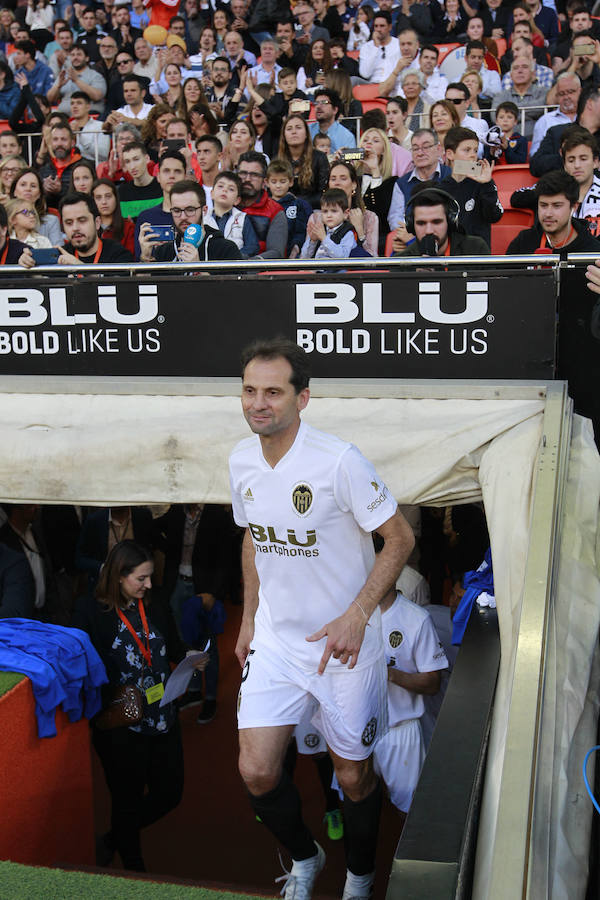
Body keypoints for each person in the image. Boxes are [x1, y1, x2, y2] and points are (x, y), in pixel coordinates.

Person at [229, 337, 414, 900]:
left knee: (353, 777)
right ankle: (308, 858)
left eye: (273, 393)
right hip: (278, 644)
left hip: (345, 649)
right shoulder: (241, 459)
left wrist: (358, 613)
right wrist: (248, 617)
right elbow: (253, 537)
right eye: (249, 391)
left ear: (302, 398)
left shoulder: (340, 460)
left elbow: (399, 537)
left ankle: (359, 876)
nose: (259, 403)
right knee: (257, 772)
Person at [73, 540, 206, 871]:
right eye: (141, 579)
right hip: (121, 725)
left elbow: (172, 646)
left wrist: (189, 656)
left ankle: (113, 840)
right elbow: (85, 669)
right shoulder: (90, 612)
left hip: (163, 717)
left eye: (149, 578)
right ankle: (134, 867)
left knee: (169, 794)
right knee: (126, 800)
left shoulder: (155, 603)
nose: (148, 585)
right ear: (119, 576)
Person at [152, 504, 233, 724]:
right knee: (185, 641)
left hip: (204, 588)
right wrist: (168, 548)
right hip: (177, 584)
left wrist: (215, 593)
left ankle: (210, 696)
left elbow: (228, 557)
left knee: (208, 643)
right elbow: (151, 527)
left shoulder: (216, 514)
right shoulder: (177, 510)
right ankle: (194, 690)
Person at [373, 586, 447, 816]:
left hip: (400, 730)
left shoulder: (416, 618)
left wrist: (391, 674)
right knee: (359, 796)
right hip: (356, 728)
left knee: (408, 810)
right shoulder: (346, 608)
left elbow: (433, 683)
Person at [20, 191, 135, 267]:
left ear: (97, 223)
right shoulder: (59, 255)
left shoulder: (118, 254)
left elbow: (119, 290)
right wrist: (28, 266)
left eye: (82, 220)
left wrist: (80, 268)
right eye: (69, 223)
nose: (75, 228)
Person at [138, 178, 242, 261]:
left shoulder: (226, 249)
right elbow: (144, 287)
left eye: (190, 210)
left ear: (204, 210)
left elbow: (234, 287)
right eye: (177, 210)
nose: (183, 217)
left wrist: (197, 269)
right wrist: (145, 258)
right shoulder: (164, 251)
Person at [507, 169, 600, 255]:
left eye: (557, 206)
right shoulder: (524, 241)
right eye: (543, 205)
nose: (548, 214)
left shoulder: (592, 249)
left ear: (573, 207)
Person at [440, 126, 503, 247]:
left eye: (475, 150)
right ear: (450, 154)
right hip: (450, 257)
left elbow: (495, 216)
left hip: (478, 258)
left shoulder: (484, 184)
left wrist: (487, 184)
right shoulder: (441, 188)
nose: (472, 155)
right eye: (466, 150)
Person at [392, 183, 491, 255]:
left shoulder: (476, 249)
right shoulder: (402, 261)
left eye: (436, 222)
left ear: (450, 221)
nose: (429, 231)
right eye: (421, 223)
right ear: (411, 225)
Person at [388, 127, 451, 231]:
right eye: (415, 148)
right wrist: (411, 235)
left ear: (439, 149)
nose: (420, 153)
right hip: (409, 239)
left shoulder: (451, 176)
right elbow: (395, 219)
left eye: (426, 147)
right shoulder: (402, 183)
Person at [530, 88, 600, 176]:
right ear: (590, 104)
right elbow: (536, 166)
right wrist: (567, 156)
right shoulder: (557, 132)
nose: (577, 164)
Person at [133, 149, 186, 257]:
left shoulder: (193, 215)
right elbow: (139, 266)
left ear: (185, 176)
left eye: (177, 171)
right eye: (166, 171)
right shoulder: (146, 217)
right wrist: (145, 256)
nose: (172, 176)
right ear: (158, 176)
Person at [237, 151, 287, 257]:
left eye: (254, 175)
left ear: (264, 181)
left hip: (258, 271)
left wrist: (247, 264)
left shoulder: (275, 211)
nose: (247, 179)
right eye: (243, 173)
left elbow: (276, 253)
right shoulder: (225, 204)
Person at [203, 169, 259, 257]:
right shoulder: (203, 218)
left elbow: (252, 247)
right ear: (212, 193)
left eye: (231, 189)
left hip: (235, 265)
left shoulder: (242, 218)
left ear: (237, 200)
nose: (224, 190)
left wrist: (233, 256)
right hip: (207, 264)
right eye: (220, 186)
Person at [279, 115, 329, 208]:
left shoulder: (319, 157)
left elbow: (324, 193)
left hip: (313, 210)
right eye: (289, 129)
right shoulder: (278, 160)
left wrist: (297, 202)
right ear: (284, 135)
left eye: (298, 128)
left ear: (306, 134)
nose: (294, 132)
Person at [266, 157, 311, 258]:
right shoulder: (264, 205)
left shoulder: (297, 204)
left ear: (291, 182)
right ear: (267, 182)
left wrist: (296, 247)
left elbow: (300, 230)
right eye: (274, 182)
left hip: (291, 254)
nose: (278, 186)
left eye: (282, 181)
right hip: (267, 254)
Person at [491, 57, 547, 139]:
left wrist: (509, 112)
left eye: (524, 67)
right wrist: (532, 116)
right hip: (507, 142)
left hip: (536, 139)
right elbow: (494, 116)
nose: (520, 71)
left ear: (533, 73)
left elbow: (542, 109)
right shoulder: (500, 95)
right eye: (516, 68)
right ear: (510, 75)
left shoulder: (543, 92)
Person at [46, 42, 107, 116]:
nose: (75, 58)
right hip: (63, 118)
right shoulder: (64, 75)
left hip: (88, 117)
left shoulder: (95, 76)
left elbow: (97, 96)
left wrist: (76, 80)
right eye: (72, 55)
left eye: (79, 54)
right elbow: (49, 99)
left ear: (87, 58)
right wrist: (58, 86)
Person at [9, 167, 63, 245]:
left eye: (33, 186)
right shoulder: (4, 219)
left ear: (39, 194)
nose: (28, 189)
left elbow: (58, 252)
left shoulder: (51, 221)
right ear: (14, 191)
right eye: (23, 185)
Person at [300, 186, 357, 259]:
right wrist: (312, 241)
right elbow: (304, 257)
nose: (329, 215)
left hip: (336, 269)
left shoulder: (348, 233)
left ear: (345, 214)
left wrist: (324, 239)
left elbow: (342, 257)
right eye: (325, 211)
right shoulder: (321, 229)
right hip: (317, 268)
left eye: (334, 211)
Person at [531, 71, 580, 156]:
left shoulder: (589, 117)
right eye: (562, 94)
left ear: (580, 91)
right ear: (556, 97)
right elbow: (535, 155)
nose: (566, 97)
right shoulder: (545, 121)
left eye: (571, 92)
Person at [119, 139, 163, 220]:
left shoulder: (162, 187)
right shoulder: (122, 192)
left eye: (136, 159)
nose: (132, 166)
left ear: (147, 158)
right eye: (127, 161)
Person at [39, 122, 82, 204]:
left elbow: (85, 195)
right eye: (55, 139)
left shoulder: (83, 165)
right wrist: (43, 190)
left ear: (73, 143)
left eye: (64, 139)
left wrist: (61, 190)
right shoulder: (44, 169)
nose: (59, 144)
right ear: (50, 143)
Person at [92, 177, 136, 254]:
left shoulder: (128, 227)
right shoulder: (89, 228)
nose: (104, 202)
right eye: (98, 198)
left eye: (108, 196)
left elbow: (130, 259)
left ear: (116, 198)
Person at [308, 87, 355, 152]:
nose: (318, 106)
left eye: (324, 102)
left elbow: (351, 162)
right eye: (316, 103)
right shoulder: (307, 130)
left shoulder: (346, 137)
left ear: (335, 110)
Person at [69, 91, 111, 162]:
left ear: (88, 107)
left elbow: (104, 154)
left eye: (79, 103)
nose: (75, 106)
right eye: (72, 103)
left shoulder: (100, 126)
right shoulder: (66, 127)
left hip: (94, 169)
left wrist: (80, 135)